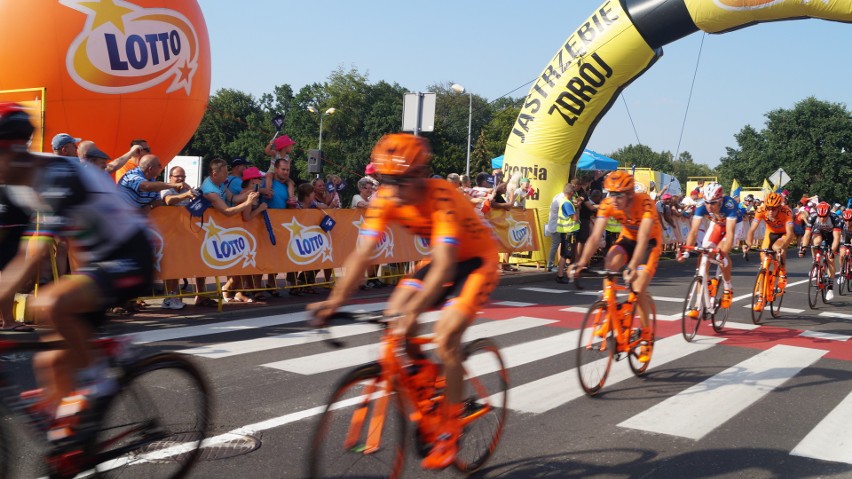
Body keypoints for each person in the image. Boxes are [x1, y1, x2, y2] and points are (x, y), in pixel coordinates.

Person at [309, 133, 498, 470]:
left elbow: (443, 265)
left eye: (400, 182)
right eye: (385, 181)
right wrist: (333, 300)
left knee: (446, 336)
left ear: (421, 175)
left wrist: (413, 309)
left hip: (475, 262)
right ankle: (426, 377)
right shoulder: (385, 200)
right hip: (443, 262)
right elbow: (362, 254)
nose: (391, 190)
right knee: (398, 317)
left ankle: (449, 428)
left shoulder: (442, 196)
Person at [0, 104, 154, 430]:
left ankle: (102, 376)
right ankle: (68, 442)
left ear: (12, 151)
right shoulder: (14, 185)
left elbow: (36, 252)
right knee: (50, 360)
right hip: (100, 262)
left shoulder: (58, 173)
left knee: (51, 302)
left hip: (131, 255)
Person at [570, 170, 660, 363]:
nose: (613, 199)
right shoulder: (607, 204)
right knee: (610, 262)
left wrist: (633, 265)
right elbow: (595, 237)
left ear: (629, 193)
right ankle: (609, 313)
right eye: (610, 193)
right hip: (627, 238)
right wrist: (581, 263)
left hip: (649, 242)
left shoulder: (644, 202)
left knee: (638, 287)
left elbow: (644, 238)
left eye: (618, 194)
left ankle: (646, 337)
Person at [195, 158, 259, 306]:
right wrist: (248, 203)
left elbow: (232, 197)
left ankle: (204, 294)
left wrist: (249, 193)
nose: (227, 176)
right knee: (203, 262)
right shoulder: (210, 190)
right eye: (224, 173)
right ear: (214, 173)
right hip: (207, 227)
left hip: (217, 227)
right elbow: (227, 211)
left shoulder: (221, 182)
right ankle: (200, 294)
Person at [679, 182, 741, 309]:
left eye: (713, 203)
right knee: (704, 255)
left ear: (720, 200)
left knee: (721, 253)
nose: (709, 206)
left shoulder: (729, 205)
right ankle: (701, 297)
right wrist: (686, 251)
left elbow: (729, 234)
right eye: (707, 202)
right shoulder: (701, 205)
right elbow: (694, 231)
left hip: (733, 226)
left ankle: (728, 286)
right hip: (717, 225)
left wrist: (723, 254)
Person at [743, 192, 794, 309]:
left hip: (784, 234)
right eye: (769, 208)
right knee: (764, 263)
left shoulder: (786, 211)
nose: (771, 211)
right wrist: (749, 244)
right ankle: (761, 298)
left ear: (779, 207)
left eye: (774, 209)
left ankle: (782, 271)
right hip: (770, 233)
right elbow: (751, 230)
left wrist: (784, 246)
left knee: (777, 248)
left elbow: (790, 233)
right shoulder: (761, 210)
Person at [158, 166, 198, 309]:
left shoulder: (186, 190)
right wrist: (185, 195)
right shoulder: (166, 189)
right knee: (171, 267)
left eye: (183, 177)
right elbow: (168, 200)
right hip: (168, 234)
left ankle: (172, 296)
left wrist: (189, 191)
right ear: (170, 177)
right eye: (177, 177)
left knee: (178, 267)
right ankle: (169, 297)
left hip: (183, 234)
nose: (180, 179)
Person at [801, 201, 842, 301]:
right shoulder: (813, 217)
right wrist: (803, 247)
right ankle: (816, 261)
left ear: (828, 214)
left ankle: (830, 288)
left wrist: (832, 252)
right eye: (820, 216)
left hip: (831, 236)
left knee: (830, 260)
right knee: (816, 243)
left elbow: (836, 238)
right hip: (819, 231)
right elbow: (806, 235)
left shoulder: (834, 218)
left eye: (825, 216)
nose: (822, 218)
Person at [116, 154, 181, 210]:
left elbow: (158, 200)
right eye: (159, 165)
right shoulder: (131, 176)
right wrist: (174, 185)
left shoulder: (152, 180)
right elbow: (146, 187)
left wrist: (149, 207)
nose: (161, 167)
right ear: (150, 169)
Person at [554, 181, 580, 283]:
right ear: (571, 193)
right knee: (565, 255)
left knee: (566, 254)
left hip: (567, 232)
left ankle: (562, 274)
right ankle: (560, 275)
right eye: (574, 192)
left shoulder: (566, 202)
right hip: (568, 232)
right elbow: (575, 218)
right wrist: (577, 208)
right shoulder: (567, 203)